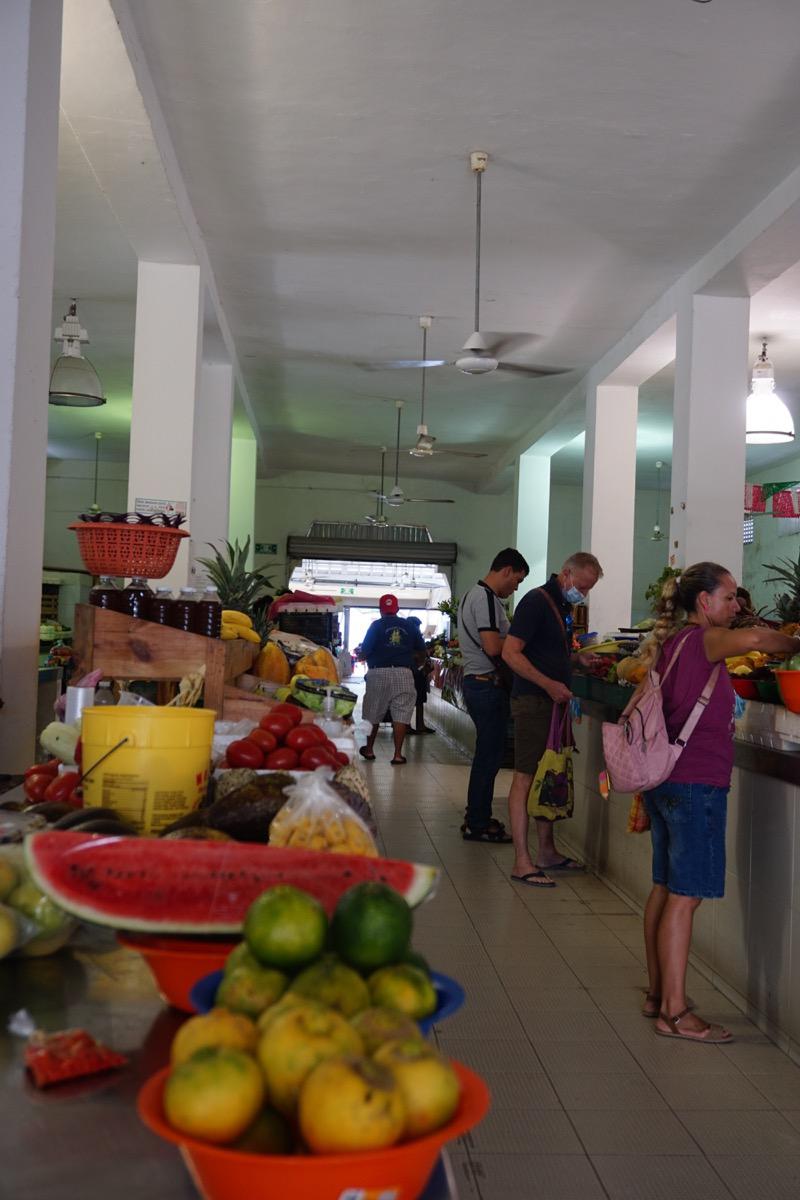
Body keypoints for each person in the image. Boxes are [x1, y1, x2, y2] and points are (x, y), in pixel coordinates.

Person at [636, 562, 800, 1042]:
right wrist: (793, 642)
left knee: (665, 888)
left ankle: (656, 993)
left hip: (666, 780)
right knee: (685, 899)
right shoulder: (705, 639)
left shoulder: (673, 642)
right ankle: (675, 1011)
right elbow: (757, 642)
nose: (736, 606)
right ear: (703, 602)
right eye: (729, 598)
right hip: (694, 785)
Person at [502, 552, 603, 886]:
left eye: (589, 590)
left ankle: (546, 851)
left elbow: (547, 651)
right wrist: (547, 684)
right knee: (526, 778)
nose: (583, 594)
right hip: (533, 702)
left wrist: (576, 661)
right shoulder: (535, 602)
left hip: (553, 703)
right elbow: (510, 653)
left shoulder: (561, 606)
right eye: (582, 587)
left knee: (550, 776)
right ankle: (521, 861)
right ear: (566, 574)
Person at [458, 548, 530, 842]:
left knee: (487, 756)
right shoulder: (485, 598)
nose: (515, 587)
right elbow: (492, 646)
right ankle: (477, 822)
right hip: (486, 684)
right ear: (506, 570)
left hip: (479, 683)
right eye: (517, 580)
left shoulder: (473, 595)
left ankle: (477, 817)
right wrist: (519, 641)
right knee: (488, 758)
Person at [359, 594, 426, 765]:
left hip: (378, 672)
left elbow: (364, 651)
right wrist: (414, 664)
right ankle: (397, 755)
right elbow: (422, 651)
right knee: (401, 714)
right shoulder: (409, 626)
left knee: (373, 712)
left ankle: (369, 750)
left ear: (380, 610)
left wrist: (366, 656)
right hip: (404, 672)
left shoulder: (375, 626)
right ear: (397, 609)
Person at [405, 616, 435, 735]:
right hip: (413, 672)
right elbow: (414, 654)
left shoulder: (413, 637)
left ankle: (420, 725)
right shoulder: (409, 638)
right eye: (417, 626)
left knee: (420, 700)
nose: (418, 628)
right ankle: (407, 725)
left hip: (419, 672)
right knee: (411, 701)